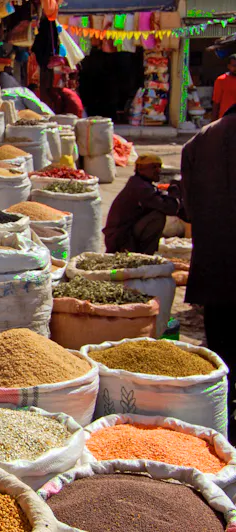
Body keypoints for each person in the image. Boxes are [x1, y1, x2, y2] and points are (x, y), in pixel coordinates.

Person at [180, 103, 236, 441]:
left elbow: (187, 210)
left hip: (216, 267)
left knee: (222, 349)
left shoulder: (199, 141)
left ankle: (224, 413)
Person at [103, 154, 182, 255]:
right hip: (120, 238)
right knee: (157, 217)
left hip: (123, 234)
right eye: (153, 167)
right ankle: (143, 254)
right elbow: (169, 208)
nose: (158, 170)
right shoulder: (141, 187)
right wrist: (174, 193)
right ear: (140, 169)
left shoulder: (140, 183)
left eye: (159, 167)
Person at [212, 54, 236, 120]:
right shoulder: (221, 80)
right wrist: (213, 120)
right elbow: (216, 102)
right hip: (226, 119)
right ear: (228, 66)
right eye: (234, 66)